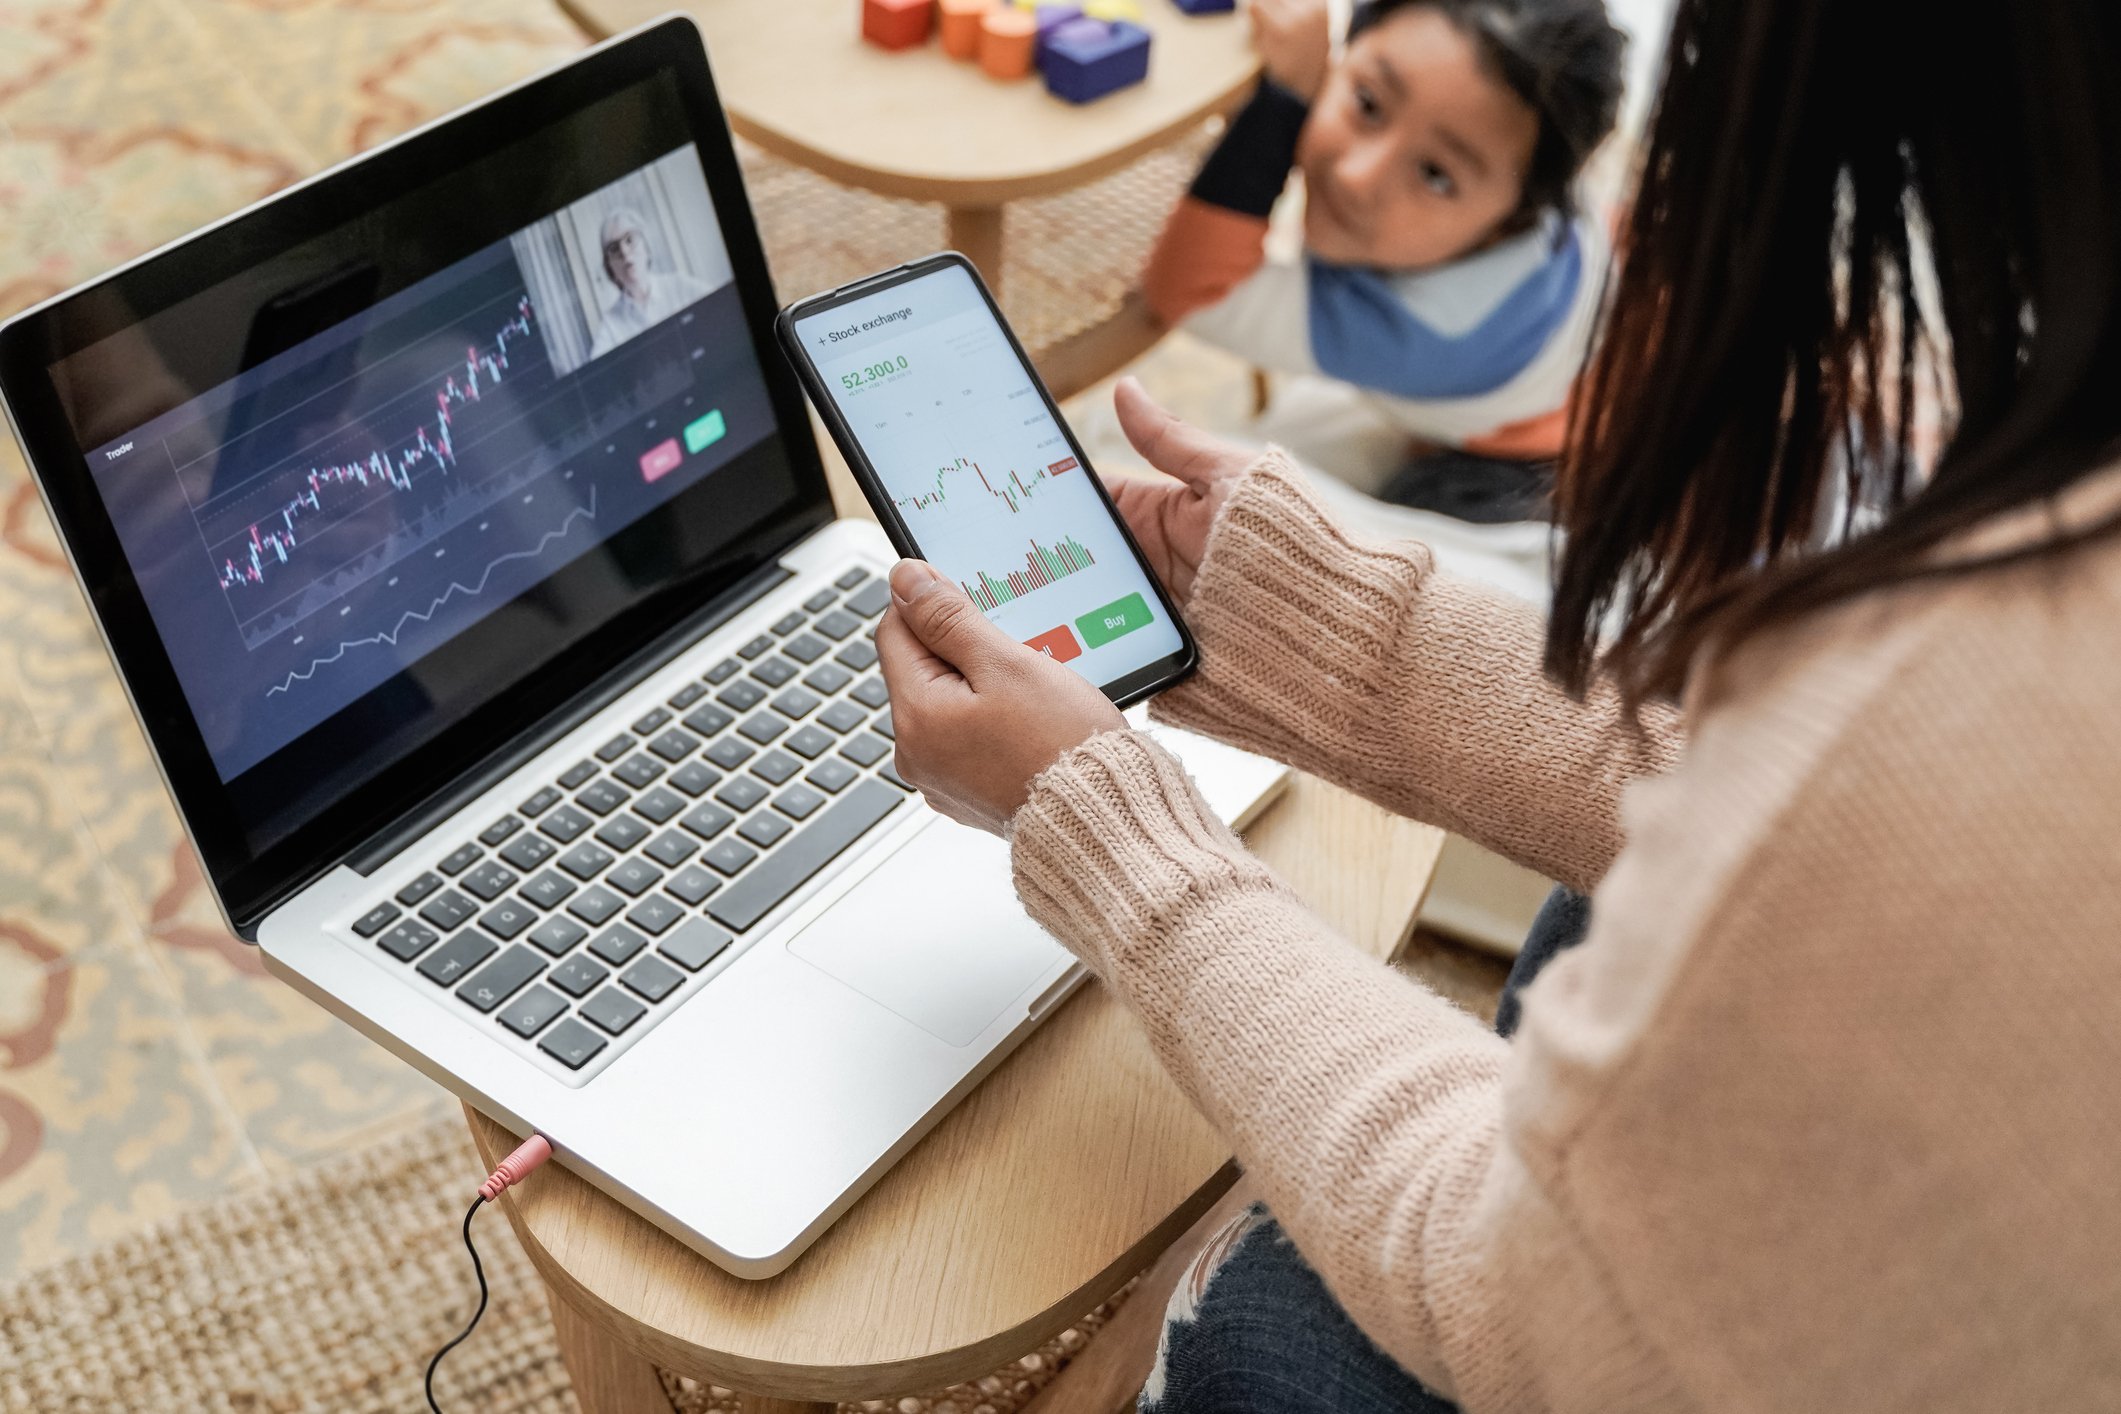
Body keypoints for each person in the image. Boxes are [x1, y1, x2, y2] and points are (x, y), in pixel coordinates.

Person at [872, 0, 2121, 1408]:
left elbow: (1527, 1299)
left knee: (1247, 1335)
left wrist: (1121, 838)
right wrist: (1316, 626)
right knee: (1609, 900)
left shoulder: (1978, 661)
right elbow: (1796, 797)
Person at [1140, 0, 1625, 522]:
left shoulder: (1425, 334)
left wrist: (1287, 99)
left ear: (1509, 223)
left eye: (1436, 175)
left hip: (1531, 457)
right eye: (1368, 103)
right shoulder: (1522, 163)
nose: (1357, 176)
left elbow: (1188, 294)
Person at [584, 206, 709, 359]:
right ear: (609, 267)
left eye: (629, 239)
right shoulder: (610, 325)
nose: (624, 252)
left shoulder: (679, 286)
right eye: (613, 248)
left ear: (646, 246)